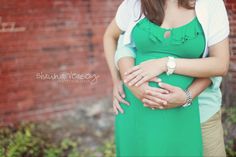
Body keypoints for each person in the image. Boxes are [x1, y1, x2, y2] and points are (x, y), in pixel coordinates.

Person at [103, 0, 230, 156]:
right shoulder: (136, 4)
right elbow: (116, 40)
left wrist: (166, 65)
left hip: (198, 114)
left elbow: (220, 64)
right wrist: (117, 81)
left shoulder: (210, 4)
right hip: (138, 113)